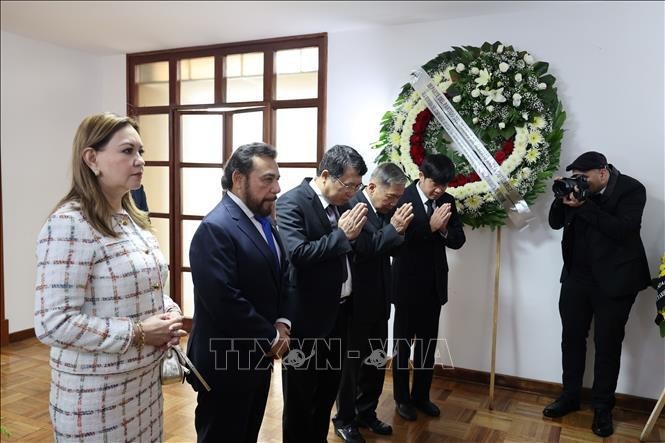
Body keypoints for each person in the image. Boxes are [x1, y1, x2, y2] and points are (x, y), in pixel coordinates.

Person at [34, 112, 186, 442]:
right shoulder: (69, 224)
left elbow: (151, 285)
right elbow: (52, 322)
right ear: (92, 159)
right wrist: (139, 332)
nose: (140, 161)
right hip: (95, 396)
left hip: (143, 384)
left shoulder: (132, 218)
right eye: (127, 151)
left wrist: (169, 312)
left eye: (141, 151)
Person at [186, 142, 291, 443]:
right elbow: (223, 299)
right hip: (225, 365)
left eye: (277, 178)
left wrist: (283, 322)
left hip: (257, 359)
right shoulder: (216, 227)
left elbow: (283, 275)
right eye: (267, 179)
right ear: (238, 179)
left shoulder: (265, 220)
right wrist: (271, 338)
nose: (277, 188)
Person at [544, 151, 651, 437]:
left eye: (584, 177)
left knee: (607, 345)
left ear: (602, 172)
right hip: (577, 278)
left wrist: (583, 205)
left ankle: (603, 407)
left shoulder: (632, 189)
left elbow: (623, 231)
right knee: (572, 339)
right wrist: (561, 197)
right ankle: (569, 396)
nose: (579, 182)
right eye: (575, 177)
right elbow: (555, 223)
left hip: (615, 282)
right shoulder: (576, 191)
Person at [276, 144, 368, 443]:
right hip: (305, 319)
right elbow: (298, 253)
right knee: (300, 399)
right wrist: (341, 236)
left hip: (339, 314)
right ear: (326, 175)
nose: (353, 192)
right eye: (349, 184)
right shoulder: (292, 202)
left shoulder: (343, 204)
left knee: (328, 392)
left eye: (358, 186)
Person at [333, 163, 414, 442]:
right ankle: (344, 419)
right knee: (351, 365)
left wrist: (398, 231)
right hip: (356, 302)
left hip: (381, 297)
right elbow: (363, 250)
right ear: (372, 186)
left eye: (398, 198)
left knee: (376, 361)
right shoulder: (353, 207)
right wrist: (394, 230)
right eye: (390, 196)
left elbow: (395, 247)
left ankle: (366, 412)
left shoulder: (386, 210)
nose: (394, 202)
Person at [391, 154, 466, 422]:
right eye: (435, 183)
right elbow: (396, 240)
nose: (439, 190)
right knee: (402, 346)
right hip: (406, 283)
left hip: (434, 285)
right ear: (421, 175)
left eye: (444, 185)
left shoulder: (447, 202)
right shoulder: (402, 197)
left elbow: (458, 239)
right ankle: (402, 399)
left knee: (426, 345)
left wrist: (445, 231)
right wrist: (431, 228)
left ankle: (421, 396)